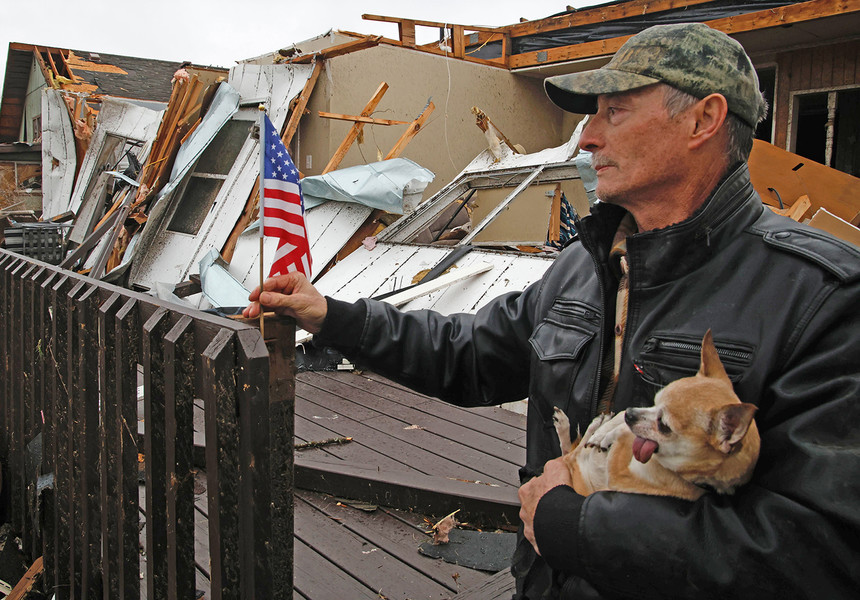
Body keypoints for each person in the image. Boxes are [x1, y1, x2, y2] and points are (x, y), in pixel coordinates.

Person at [244, 23, 860, 599]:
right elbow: (470, 353)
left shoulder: (822, 296)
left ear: (704, 119)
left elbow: (821, 548)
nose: (588, 137)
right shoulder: (585, 267)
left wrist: (580, 527)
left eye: (614, 112)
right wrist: (331, 315)